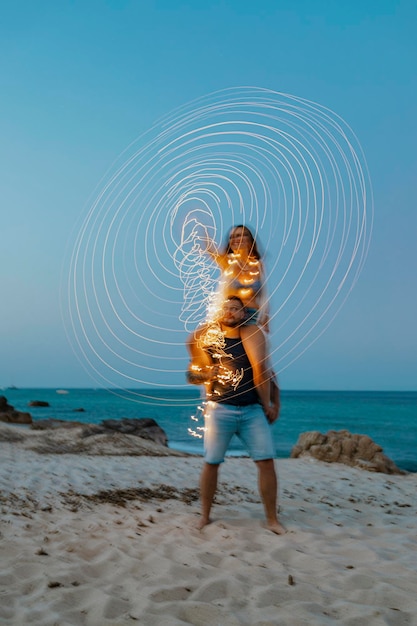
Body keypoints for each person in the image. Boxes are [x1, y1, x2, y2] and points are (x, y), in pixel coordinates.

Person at [186, 296, 285, 534]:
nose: (230, 312)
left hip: (252, 411)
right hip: (220, 410)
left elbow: (268, 373)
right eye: (226, 308)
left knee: (266, 463)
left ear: (243, 314)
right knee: (211, 463)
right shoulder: (210, 341)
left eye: (235, 309)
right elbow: (192, 375)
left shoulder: (251, 337)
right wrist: (208, 372)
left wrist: (273, 405)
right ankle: (205, 516)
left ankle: (272, 519)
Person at [201, 224, 270, 330]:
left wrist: (265, 319)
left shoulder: (258, 265)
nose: (235, 239)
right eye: (231, 237)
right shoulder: (227, 262)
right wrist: (202, 228)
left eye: (239, 235)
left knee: (252, 346)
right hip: (229, 317)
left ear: (250, 239)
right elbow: (210, 249)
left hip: (252, 317)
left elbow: (264, 295)